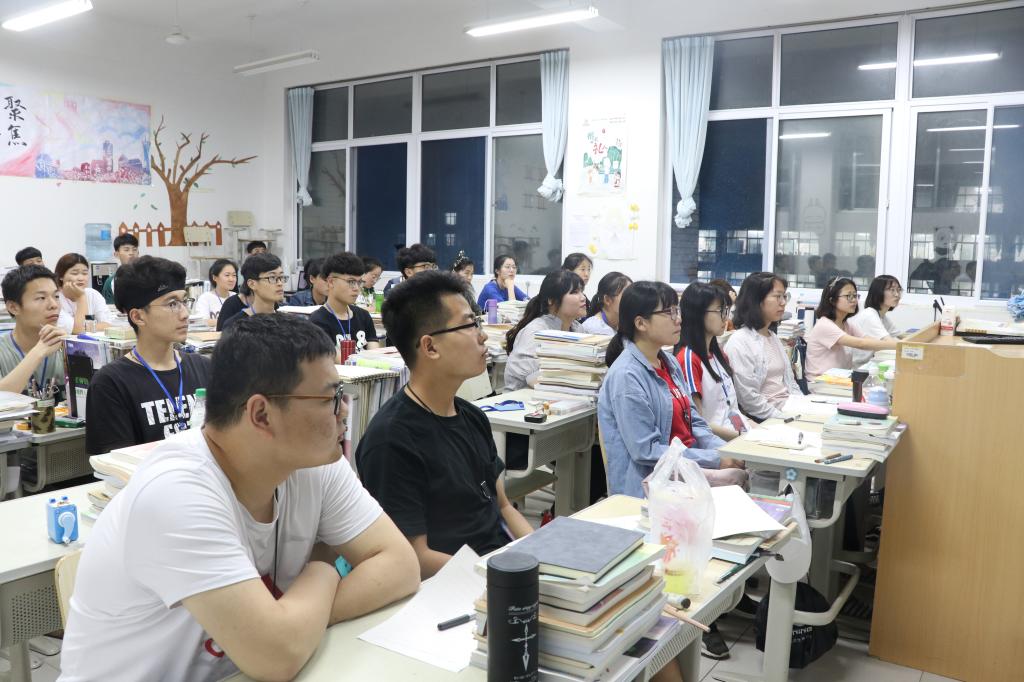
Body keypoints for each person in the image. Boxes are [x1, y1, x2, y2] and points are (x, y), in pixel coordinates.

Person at [60, 314, 420, 682]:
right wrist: (322, 571)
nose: (343, 410)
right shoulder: (176, 492)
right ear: (261, 414)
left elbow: (401, 566)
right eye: (330, 398)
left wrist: (294, 624)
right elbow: (275, 658)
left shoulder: (314, 462)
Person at [356, 271, 532, 578]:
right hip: (453, 587)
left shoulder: (472, 416)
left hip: (499, 570)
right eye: (470, 324)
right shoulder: (391, 440)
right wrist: (501, 577)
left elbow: (504, 507)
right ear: (430, 347)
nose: (482, 336)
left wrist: (539, 555)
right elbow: (414, 556)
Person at [598, 281, 747, 498]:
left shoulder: (669, 362)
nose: (678, 319)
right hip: (652, 483)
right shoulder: (627, 376)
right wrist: (715, 459)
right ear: (641, 323)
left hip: (685, 467)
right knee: (742, 483)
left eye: (677, 311)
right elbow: (646, 451)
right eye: (669, 313)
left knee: (748, 473)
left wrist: (724, 452)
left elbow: (695, 422)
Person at [85, 256, 212, 455]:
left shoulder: (204, 368)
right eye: (172, 304)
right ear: (138, 316)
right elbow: (117, 464)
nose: (185, 313)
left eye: (184, 301)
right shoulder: (111, 383)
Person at [676, 283, 749, 441]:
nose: (726, 318)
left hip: (737, 435)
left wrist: (757, 431)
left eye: (726, 311)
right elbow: (698, 424)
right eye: (720, 311)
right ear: (697, 313)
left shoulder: (719, 354)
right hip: (717, 444)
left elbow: (732, 410)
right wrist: (744, 438)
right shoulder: (689, 359)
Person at [726, 272, 803, 421]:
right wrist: (783, 417)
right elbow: (749, 400)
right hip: (769, 418)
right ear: (757, 300)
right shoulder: (740, 341)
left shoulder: (772, 336)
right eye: (777, 296)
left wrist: (805, 406)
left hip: (790, 410)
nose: (783, 302)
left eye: (784, 296)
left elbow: (790, 383)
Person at [504, 270, 588, 391]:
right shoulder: (535, 332)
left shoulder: (577, 328)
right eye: (574, 292)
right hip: (524, 397)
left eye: (581, 291)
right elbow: (533, 380)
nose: (583, 298)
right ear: (551, 300)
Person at [805, 277, 897, 381]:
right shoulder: (825, 325)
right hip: (819, 382)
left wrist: (896, 346)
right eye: (849, 296)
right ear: (832, 300)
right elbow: (861, 344)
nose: (854, 300)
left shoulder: (846, 323)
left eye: (855, 295)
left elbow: (868, 339)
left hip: (838, 379)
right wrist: (899, 346)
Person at [0, 265, 67, 398]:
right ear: (13, 307)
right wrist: (38, 352)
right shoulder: (3, 351)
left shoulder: (66, 347)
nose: (54, 305)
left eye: (56, 296)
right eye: (41, 298)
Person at [309, 252, 380, 352]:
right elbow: (335, 358)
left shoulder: (363, 316)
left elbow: (374, 353)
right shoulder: (318, 321)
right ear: (331, 282)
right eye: (351, 282)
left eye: (359, 282)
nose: (356, 288)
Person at [220, 253, 285, 331]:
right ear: (252, 284)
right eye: (272, 277)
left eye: (281, 277)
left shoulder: (288, 324)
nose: (280, 283)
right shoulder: (236, 326)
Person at [848, 275, 903, 366]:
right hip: (858, 367)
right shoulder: (870, 315)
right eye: (892, 290)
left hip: (868, 364)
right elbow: (890, 343)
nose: (897, 295)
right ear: (879, 292)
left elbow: (902, 336)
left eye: (898, 290)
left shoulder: (882, 316)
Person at [54, 253, 114, 334]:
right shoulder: (56, 299)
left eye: (85, 273)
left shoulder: (93, 294)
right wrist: (81, 297)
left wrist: (85, 328)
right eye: (75, 273)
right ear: (61, 276)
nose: (81, 278)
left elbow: (108, 325)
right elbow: (78, 331)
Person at [194, 258, 238, 326]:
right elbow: (202, 322)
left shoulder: (237, 297)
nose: (231, 279)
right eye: (227, 275)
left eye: (234, 275)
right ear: (214, 278)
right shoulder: (205, 298)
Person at [101, 233, 140, 304]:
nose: (131, 253)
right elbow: (109, 307)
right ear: (116, 254)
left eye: (134, 249)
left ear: (138, 252)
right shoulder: (111, 282)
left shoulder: (148, 277)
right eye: (126, 250)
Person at [562, 252, 594, 319]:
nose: (587, 274)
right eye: (582, 269)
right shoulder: (563, 296)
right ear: (569, 271)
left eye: (589, 269)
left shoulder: (584, 299)